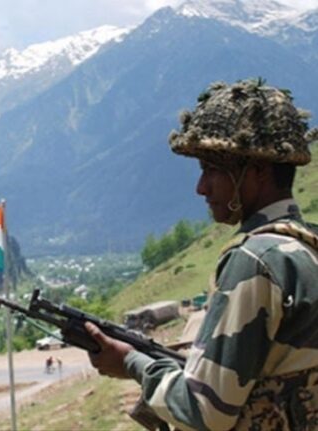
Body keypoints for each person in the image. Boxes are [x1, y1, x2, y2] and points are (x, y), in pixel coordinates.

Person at [85, 78, 318, 430]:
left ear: (258, 171)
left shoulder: (255, 260)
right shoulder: (306, 246)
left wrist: (132, 362)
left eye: (212, 170)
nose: (201, 188)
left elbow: (207, 412)